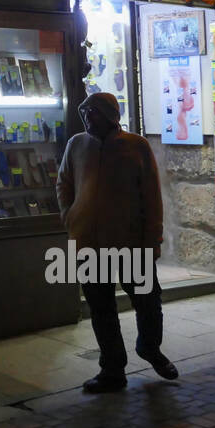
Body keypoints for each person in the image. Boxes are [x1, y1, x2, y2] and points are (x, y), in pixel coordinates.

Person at [57, 92, 176, 392]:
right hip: (89, 243)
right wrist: (70, 215)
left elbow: (152, 197)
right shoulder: (76, 145)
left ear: (110, 116)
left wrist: (153, 239)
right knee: (101, 309)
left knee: (148, 302)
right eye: (85, 112)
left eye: (94, 112)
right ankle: (112, 369)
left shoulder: (136, 146)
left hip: (131, 242)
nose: (88, 118)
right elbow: (64, 182)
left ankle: (149, 347)